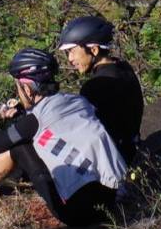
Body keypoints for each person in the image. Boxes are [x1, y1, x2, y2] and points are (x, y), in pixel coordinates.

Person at [0, 49, 128, 226]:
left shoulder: (34, 121)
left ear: (27, 88)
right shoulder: (78, 101)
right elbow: (56, 126)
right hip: (110, 197)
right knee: (39, 140)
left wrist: (16, 122)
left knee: (20, 148)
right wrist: (22, 115)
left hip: (77, 214)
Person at [55, 14, 146, 160]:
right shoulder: (123, 68)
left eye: (72, 51)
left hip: (115, 160)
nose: (70, 59)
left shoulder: (95, 86)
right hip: (132, 147)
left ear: (94, 50)